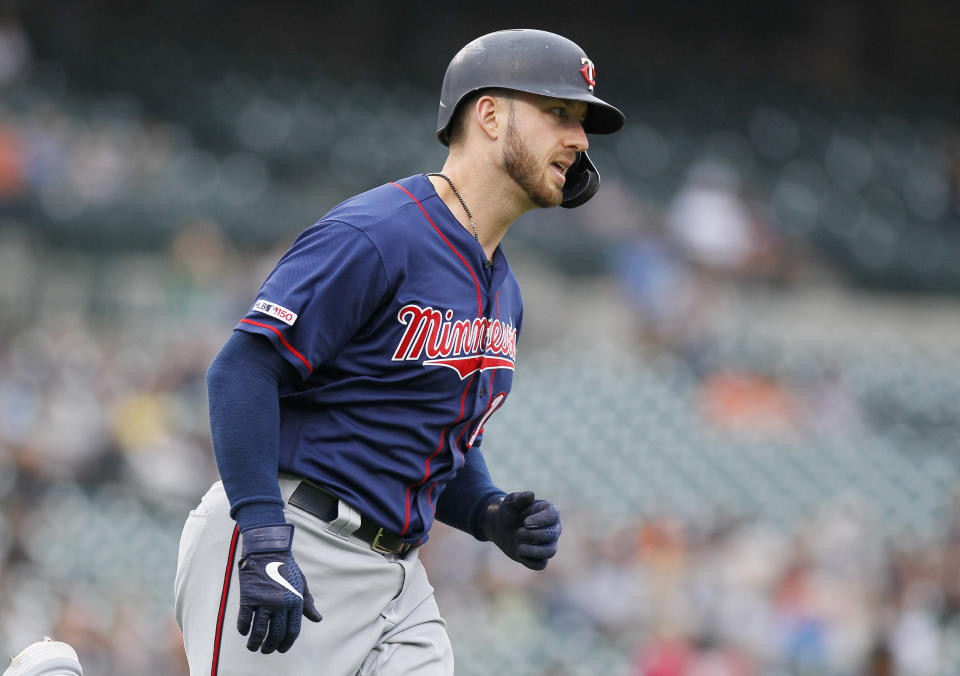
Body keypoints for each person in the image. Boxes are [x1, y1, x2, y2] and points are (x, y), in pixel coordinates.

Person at [174, 28, 624, 675]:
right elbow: (243, 368)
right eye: (559, 113)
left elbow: (429, 438)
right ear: (489, 114)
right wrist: (263, 535)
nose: (579, 139)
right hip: (297, 538)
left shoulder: (505, 289)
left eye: (581, 123)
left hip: (398, 576)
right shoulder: (379, 232)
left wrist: (487, 509)